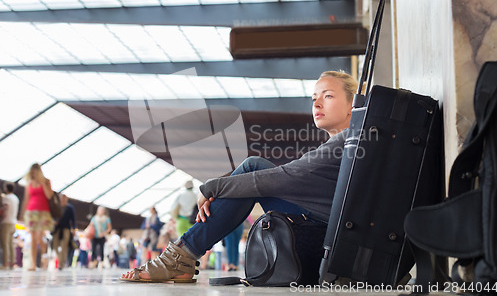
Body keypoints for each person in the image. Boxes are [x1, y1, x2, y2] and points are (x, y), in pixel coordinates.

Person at [121, 70, 356, 282]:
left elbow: (286, 176)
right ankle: (183, 255)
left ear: (352, 104)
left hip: (329, 235)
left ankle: (181, 256)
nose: (316, 103)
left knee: (253, 169)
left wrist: (212, 187)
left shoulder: (345, 141)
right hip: (331, 227)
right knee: (254, 168)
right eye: (314, 97)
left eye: (327, 96)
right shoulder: (352, 141)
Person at [20, 163, 55, 271]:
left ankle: (45, 258)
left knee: (40, 238)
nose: (33, 174)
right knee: (33, 239)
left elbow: (49, 196)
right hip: (31, 213)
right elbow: (26, 199)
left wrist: (42, 183)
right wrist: (22, 214)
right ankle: (34, 264)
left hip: (43, 213)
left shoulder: (46, 181)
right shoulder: (29, 183)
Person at [52, 194, 76, 270]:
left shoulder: (70, 208)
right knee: (55, 246)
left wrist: (74, 229)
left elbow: (73, 219)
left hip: (66, 229)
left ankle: (61, 264)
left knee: (64, 246)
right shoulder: (57, 206)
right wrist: (54, 221)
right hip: (57, 229)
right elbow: (53, 216)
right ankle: (60, 259)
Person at [1, 183, 20, 269]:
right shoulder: (16, 198)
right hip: (13, 222)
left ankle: (5, 263)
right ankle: (12, 262)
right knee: (11, 244)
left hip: (6, 222)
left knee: (5, 243)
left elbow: (5, 208)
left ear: (6, 188)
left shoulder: (7, 198)